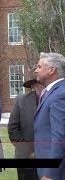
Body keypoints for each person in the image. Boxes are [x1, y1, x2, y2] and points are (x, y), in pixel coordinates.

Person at [34, 52, 65, 180]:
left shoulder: (60, 94)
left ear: (52, 70)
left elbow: (60, 137)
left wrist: (50, 173)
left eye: (39, 67)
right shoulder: (51, 92)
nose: (36, 70)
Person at [8, 77, 43, 180]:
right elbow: (13, 128)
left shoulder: (58, 99)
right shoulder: (21, 100)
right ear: (34, 86)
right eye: (42, 83)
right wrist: (28, 153)